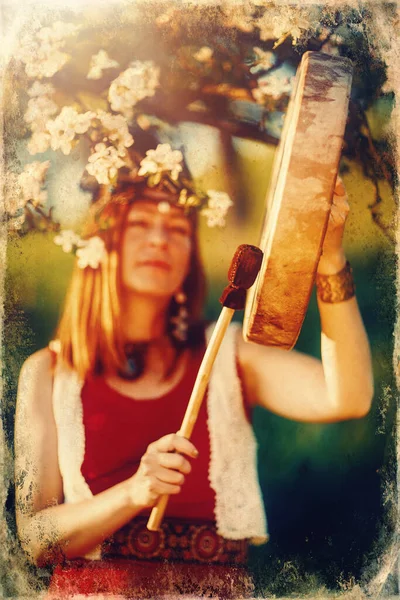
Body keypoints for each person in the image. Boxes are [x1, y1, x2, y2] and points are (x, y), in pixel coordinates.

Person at [14, 145, 374, 599]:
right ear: (102, 242)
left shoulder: (229, 353)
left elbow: (349, 397)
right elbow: (36, 539)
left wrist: (330, 261)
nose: (160, 240)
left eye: (177, 227)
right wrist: (134, 492)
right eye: (141, 224)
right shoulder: (46, 372)